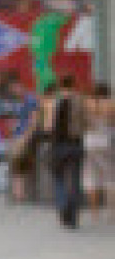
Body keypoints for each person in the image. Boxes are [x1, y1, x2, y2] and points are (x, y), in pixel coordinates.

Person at [42, 76, 86, 229]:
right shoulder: (80, 101)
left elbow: (47, 127)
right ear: (73, 84)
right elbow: (86, 123)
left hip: (58, 145)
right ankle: (72, 217)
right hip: (75, 144)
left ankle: (63, 205)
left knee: (58, 178)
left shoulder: (52, 103)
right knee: (75, 180)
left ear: (60, 86)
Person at [79, 82, 110, 226]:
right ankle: (112, 212)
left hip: (89, 144)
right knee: (110, 179)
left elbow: (81, 124)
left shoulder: (86, 105)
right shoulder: (111, 105)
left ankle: (94, 213)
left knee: (91, 179)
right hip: (106, 144)